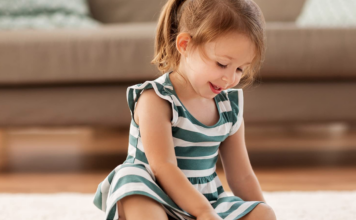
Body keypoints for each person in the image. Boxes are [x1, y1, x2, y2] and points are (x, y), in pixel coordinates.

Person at [93, 0, 277, 219]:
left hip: (206, 200)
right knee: (134, 186)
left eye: (240, 69)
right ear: (185, 45)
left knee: (263, 213)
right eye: (221, 64)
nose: (230, 78)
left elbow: (242, 176)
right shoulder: (156, 99)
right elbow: (163, 167)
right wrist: (203, 212)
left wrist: (258, 209)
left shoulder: (229, 107)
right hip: (155, 194)